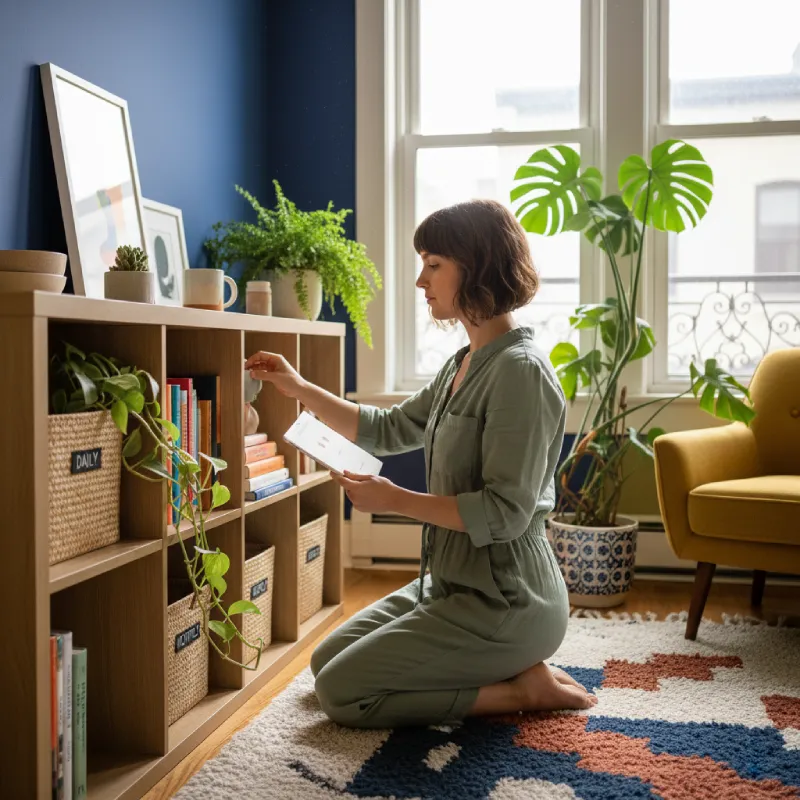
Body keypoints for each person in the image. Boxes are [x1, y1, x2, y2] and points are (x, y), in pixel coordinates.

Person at [245, 198, 597, 730]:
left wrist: (394, 501)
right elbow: (388, 429)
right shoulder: (465, 362)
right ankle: (516, 673)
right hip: (450, 584)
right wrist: (298, 387)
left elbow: (504, 514)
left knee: (343, 694)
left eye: (434, 264)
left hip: (507, 600)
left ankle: (523, 689)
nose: (420, 280)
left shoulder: (520, 373)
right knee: (324, 664)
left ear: (475, 267)